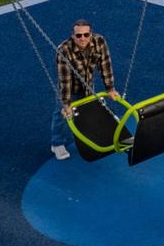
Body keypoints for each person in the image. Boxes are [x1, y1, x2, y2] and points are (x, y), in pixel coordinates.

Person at [51, 19, 121, 160]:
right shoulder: (64, 50)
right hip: (70, 88)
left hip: (88, 85)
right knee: (62, 116)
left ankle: (90, 136)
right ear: (73, 36)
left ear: (91, 34)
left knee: (89, 111)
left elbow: (105, 65)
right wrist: (66, 104)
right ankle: (57, 143)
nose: (82, 38)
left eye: (86, 34)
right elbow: (65, 80)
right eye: (78, 35)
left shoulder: (99, 41)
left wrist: (110, 88)